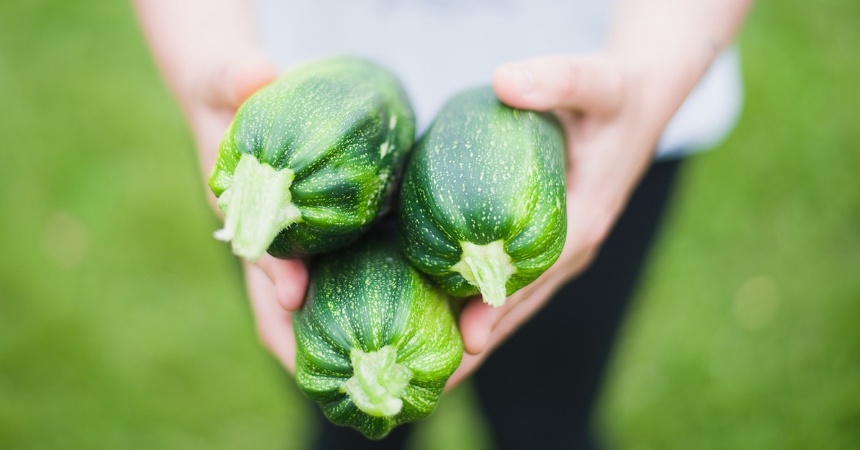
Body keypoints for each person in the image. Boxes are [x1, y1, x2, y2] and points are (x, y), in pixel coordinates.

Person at [135, 0, 752, 448]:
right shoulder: (273, 156)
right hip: (303, 104)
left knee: (547, 418)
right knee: (348, 422)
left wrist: (653, 78)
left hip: (603, 104)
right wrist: (202, 56)